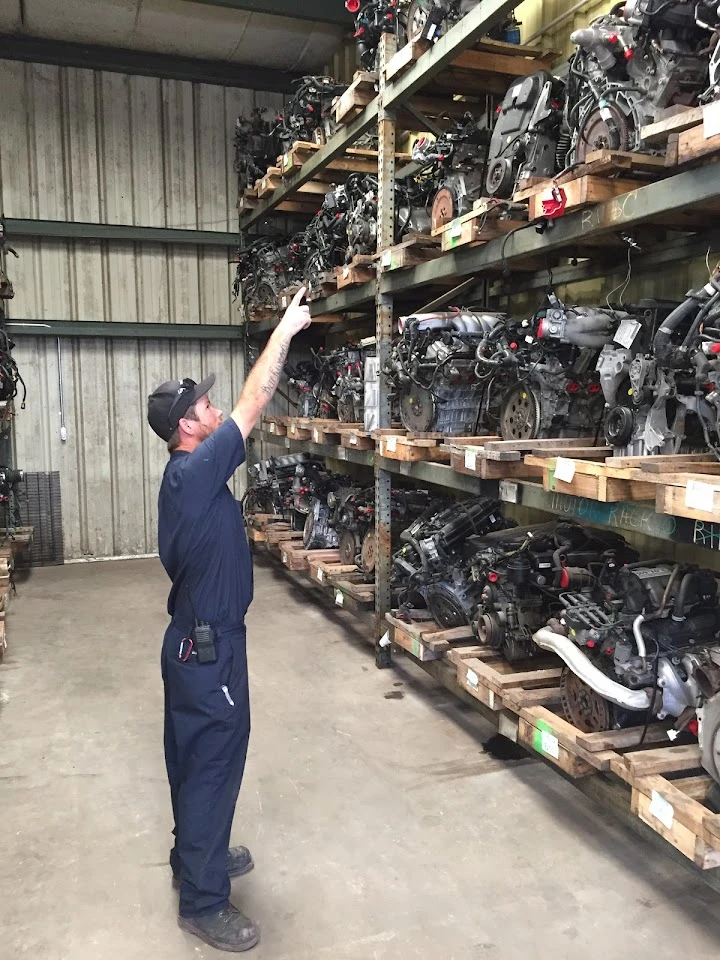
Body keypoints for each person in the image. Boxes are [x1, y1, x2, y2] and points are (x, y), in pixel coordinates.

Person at [146, 288, 311, 952]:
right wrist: (286, 330)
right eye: (203, 406)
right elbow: (255, 400)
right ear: (188, 425)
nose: (213, 410)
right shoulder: (194, 470)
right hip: (206, 650)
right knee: (212, 762)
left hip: (202, 642)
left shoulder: (192, 478)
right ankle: (204, 900)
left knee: (198, 759)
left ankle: (198, 857)